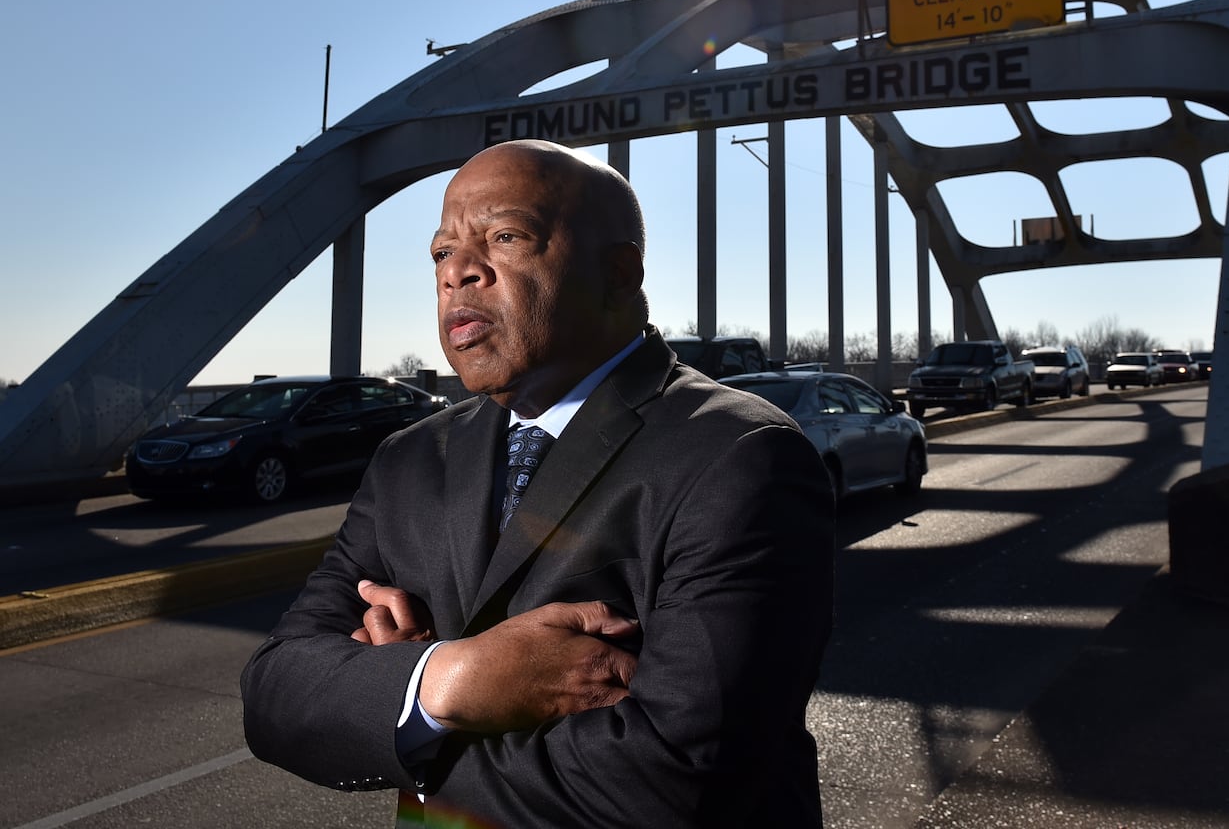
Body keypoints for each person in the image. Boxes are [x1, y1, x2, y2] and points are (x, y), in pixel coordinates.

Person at [241, 139, 836, 828]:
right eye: (440, 253)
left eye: (505, 237)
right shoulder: (410, 459)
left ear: (618, 271)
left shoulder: (738, 452)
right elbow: (275, 699)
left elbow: (681, 779)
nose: (458, 271)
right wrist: (451, 682)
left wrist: (393, 705)